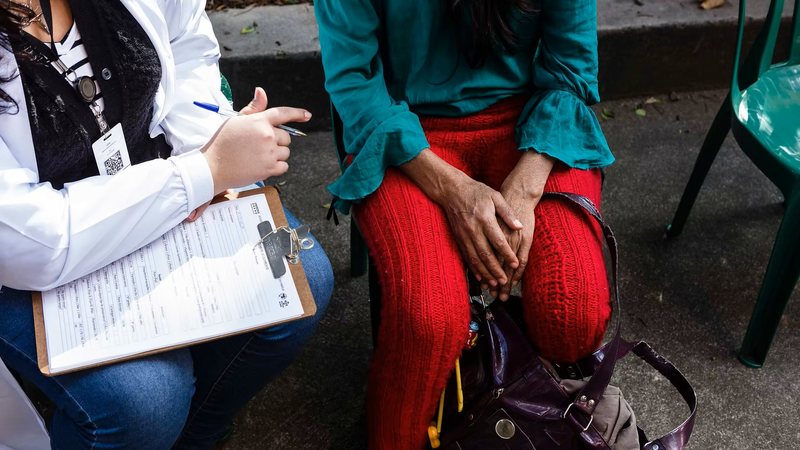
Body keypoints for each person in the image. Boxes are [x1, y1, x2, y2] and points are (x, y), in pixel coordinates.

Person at [0, 0, 333, 448]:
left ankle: (196, 436)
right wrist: (203, 173)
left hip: (160, 188)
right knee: (146, 400)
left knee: (299, 278)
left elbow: (186, 41)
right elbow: (32, 240)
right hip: (29, 268)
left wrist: (206, 141)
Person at [316, 0, 613, 447]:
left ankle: (522, 394)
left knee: (572, 314)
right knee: (429, 323)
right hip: (404, 132)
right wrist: (455, 193)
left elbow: (571, 64)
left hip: (537, 122)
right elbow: (354, 80)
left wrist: (525, 191)